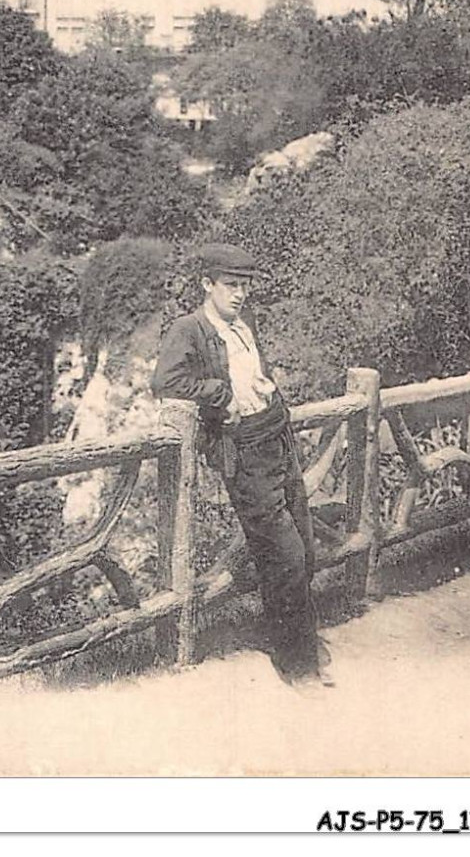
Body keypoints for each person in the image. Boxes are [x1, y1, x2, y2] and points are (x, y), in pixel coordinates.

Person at [151, 243, 331, 688]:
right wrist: (220, 393)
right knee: (285, 556)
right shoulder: (189, 329)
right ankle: (298, 666)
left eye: (245, 286)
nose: (239, 294)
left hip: (276, 439)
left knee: (304, 549)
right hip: (244, 452)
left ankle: (287, 639)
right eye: (230, 285)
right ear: (207, 285)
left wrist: (263, 385)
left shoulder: (243, 326)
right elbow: (166, 381)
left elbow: (250, 372)